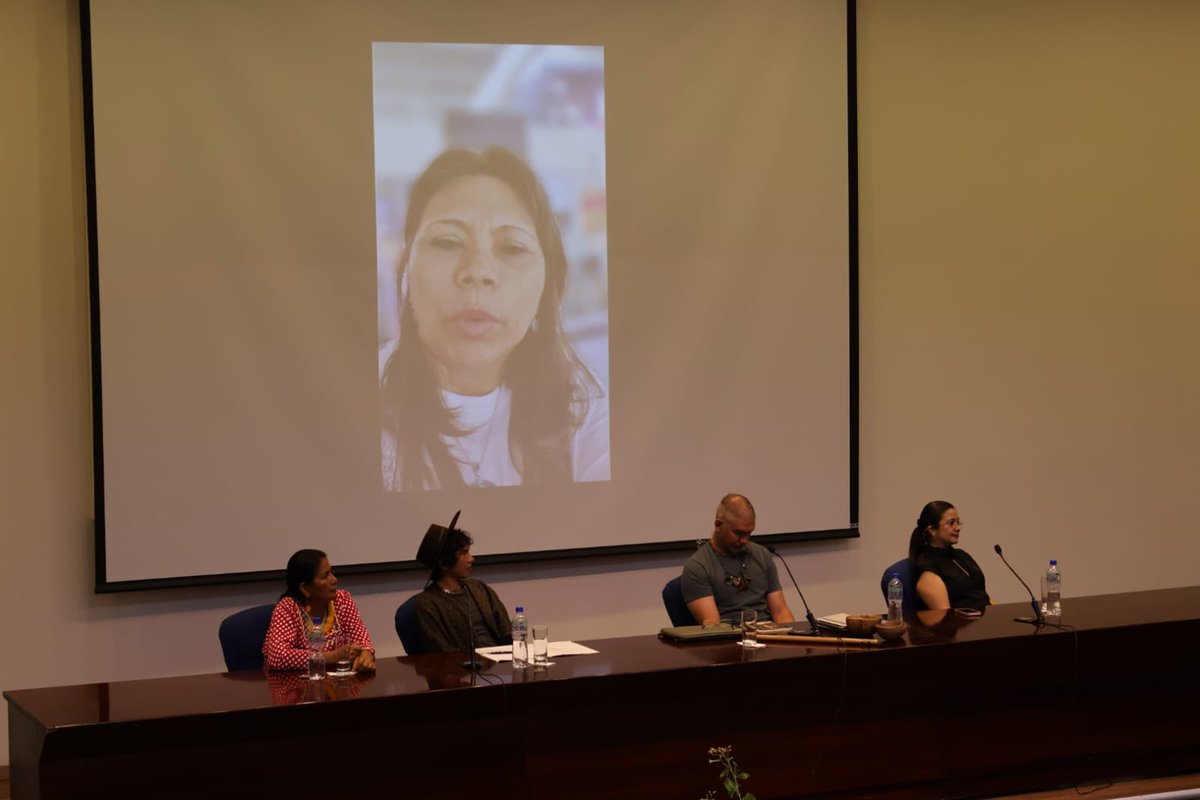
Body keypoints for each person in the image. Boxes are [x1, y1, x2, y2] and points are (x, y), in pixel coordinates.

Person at [380, 147, 609, 491]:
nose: (477, 271)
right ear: (406, 269)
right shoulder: (358, 398)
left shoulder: (585, 408)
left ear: (547, 285)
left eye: (512, 248)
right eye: (447, 241)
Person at [680, 493, 795, 625]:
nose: (745, 540)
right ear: (718, 525)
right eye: (739, 533)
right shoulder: (698, 567)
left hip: (768, 636)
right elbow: (712, 626)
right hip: (730, 639)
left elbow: (780, 612)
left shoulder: (762, 555)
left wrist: (789, 638)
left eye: (749, 533)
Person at [263, 549, 376, 672]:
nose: (334, 580)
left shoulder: (342, 599)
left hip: (338, 685)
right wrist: (333, 656)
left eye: (331, 573)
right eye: (325, 576)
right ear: (305, 588)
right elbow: (278, 657)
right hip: (296, 686)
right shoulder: (288, 608)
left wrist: (366, 654)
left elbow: (362, 640)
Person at [413, 525, 513, 653]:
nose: (471, 559)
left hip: (502, 663)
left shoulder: (478, 588)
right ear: (444, 562)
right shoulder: (427, 604)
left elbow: (506, 630)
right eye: (464, 553)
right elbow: (442, 651)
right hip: (466, 669)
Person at [907, 501, 990, 611]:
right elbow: (946, 618)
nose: (957, 528)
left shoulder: (962, 555)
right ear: (932, 530)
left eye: (958, 522)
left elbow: (982, 596)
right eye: (951, 523)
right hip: (962, 625)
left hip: (986, 621)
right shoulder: (928, 567)